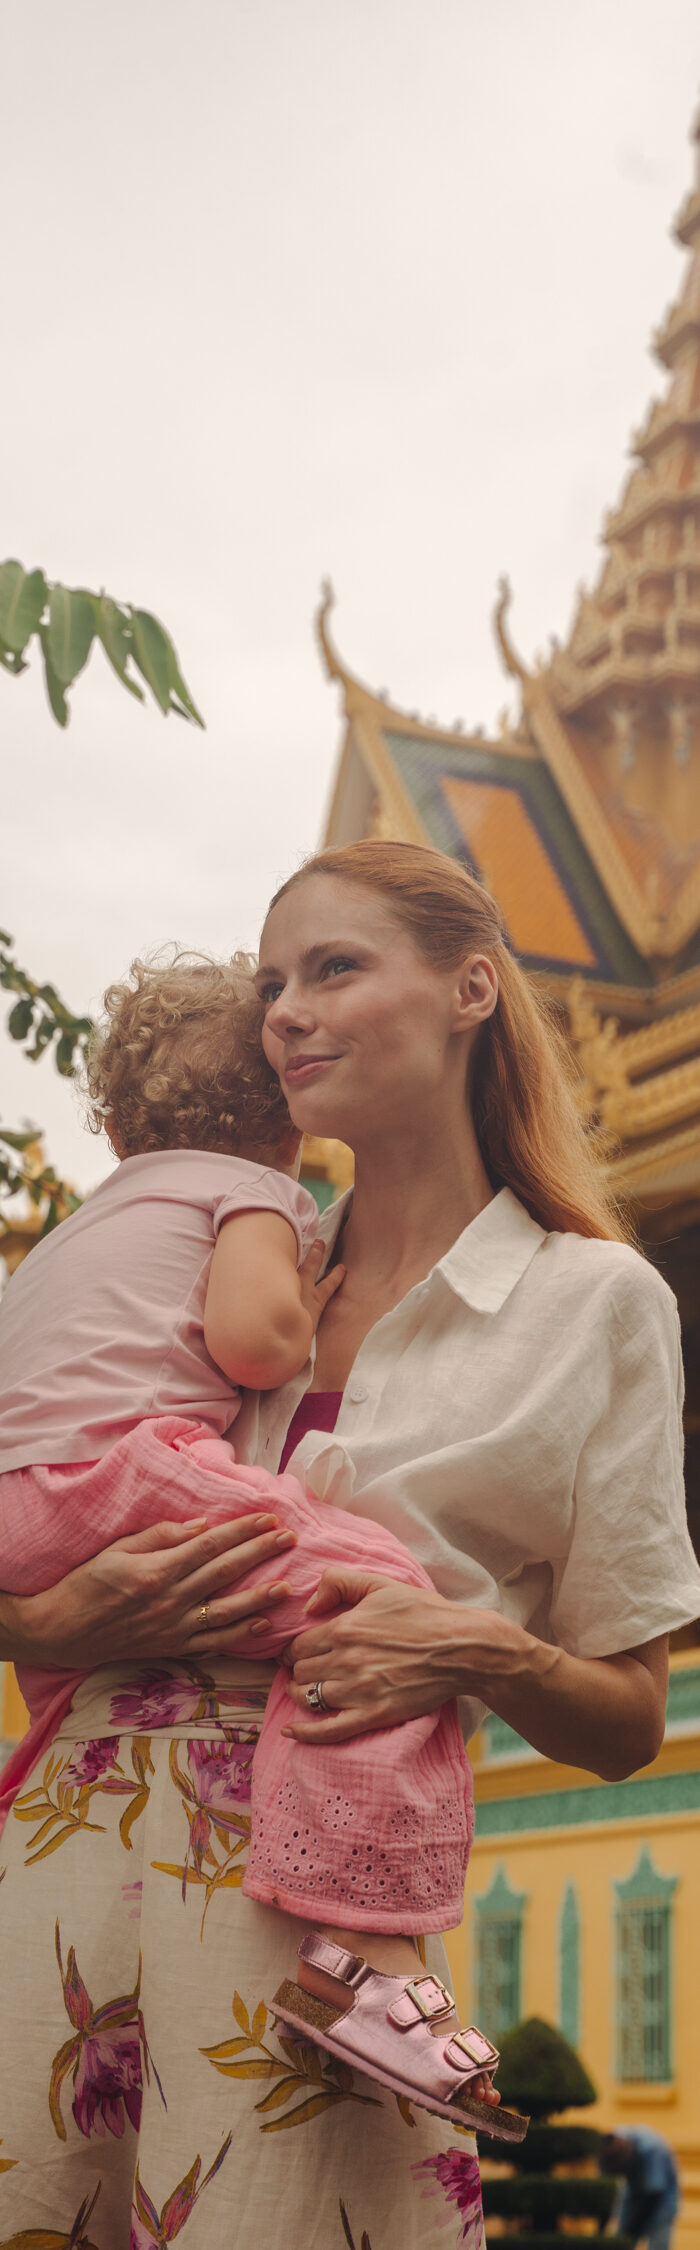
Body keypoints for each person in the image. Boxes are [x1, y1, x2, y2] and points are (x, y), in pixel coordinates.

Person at [0, 840, 698, 2250]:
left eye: (335, 968)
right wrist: (44, 1624)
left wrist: (475, 1644)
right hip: (64, 1859)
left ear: (471, 990)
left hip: (316, 1940)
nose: (285, 1013)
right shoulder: (226, 1251)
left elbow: (630, 1715)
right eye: (270, 983)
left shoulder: (595, 1301)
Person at [0, 949, 510, 2144]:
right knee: (378, 1596)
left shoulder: (85, 1226)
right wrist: (306, 1281)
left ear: (119, 1121)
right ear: (286, 1121)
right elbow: (256, 1344)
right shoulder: (248, 1195)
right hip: (119, 1477)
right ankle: (366, 1964)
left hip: (26, 1516)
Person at [601, 2129, 680, 2250]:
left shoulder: (652, 2150)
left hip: (661, 2203)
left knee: (657, 2244)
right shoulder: (608, 2145)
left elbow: (654, 2194)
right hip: (633, 2195)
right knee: (621, 2242)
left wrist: (631, 2229)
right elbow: (604, 2188)